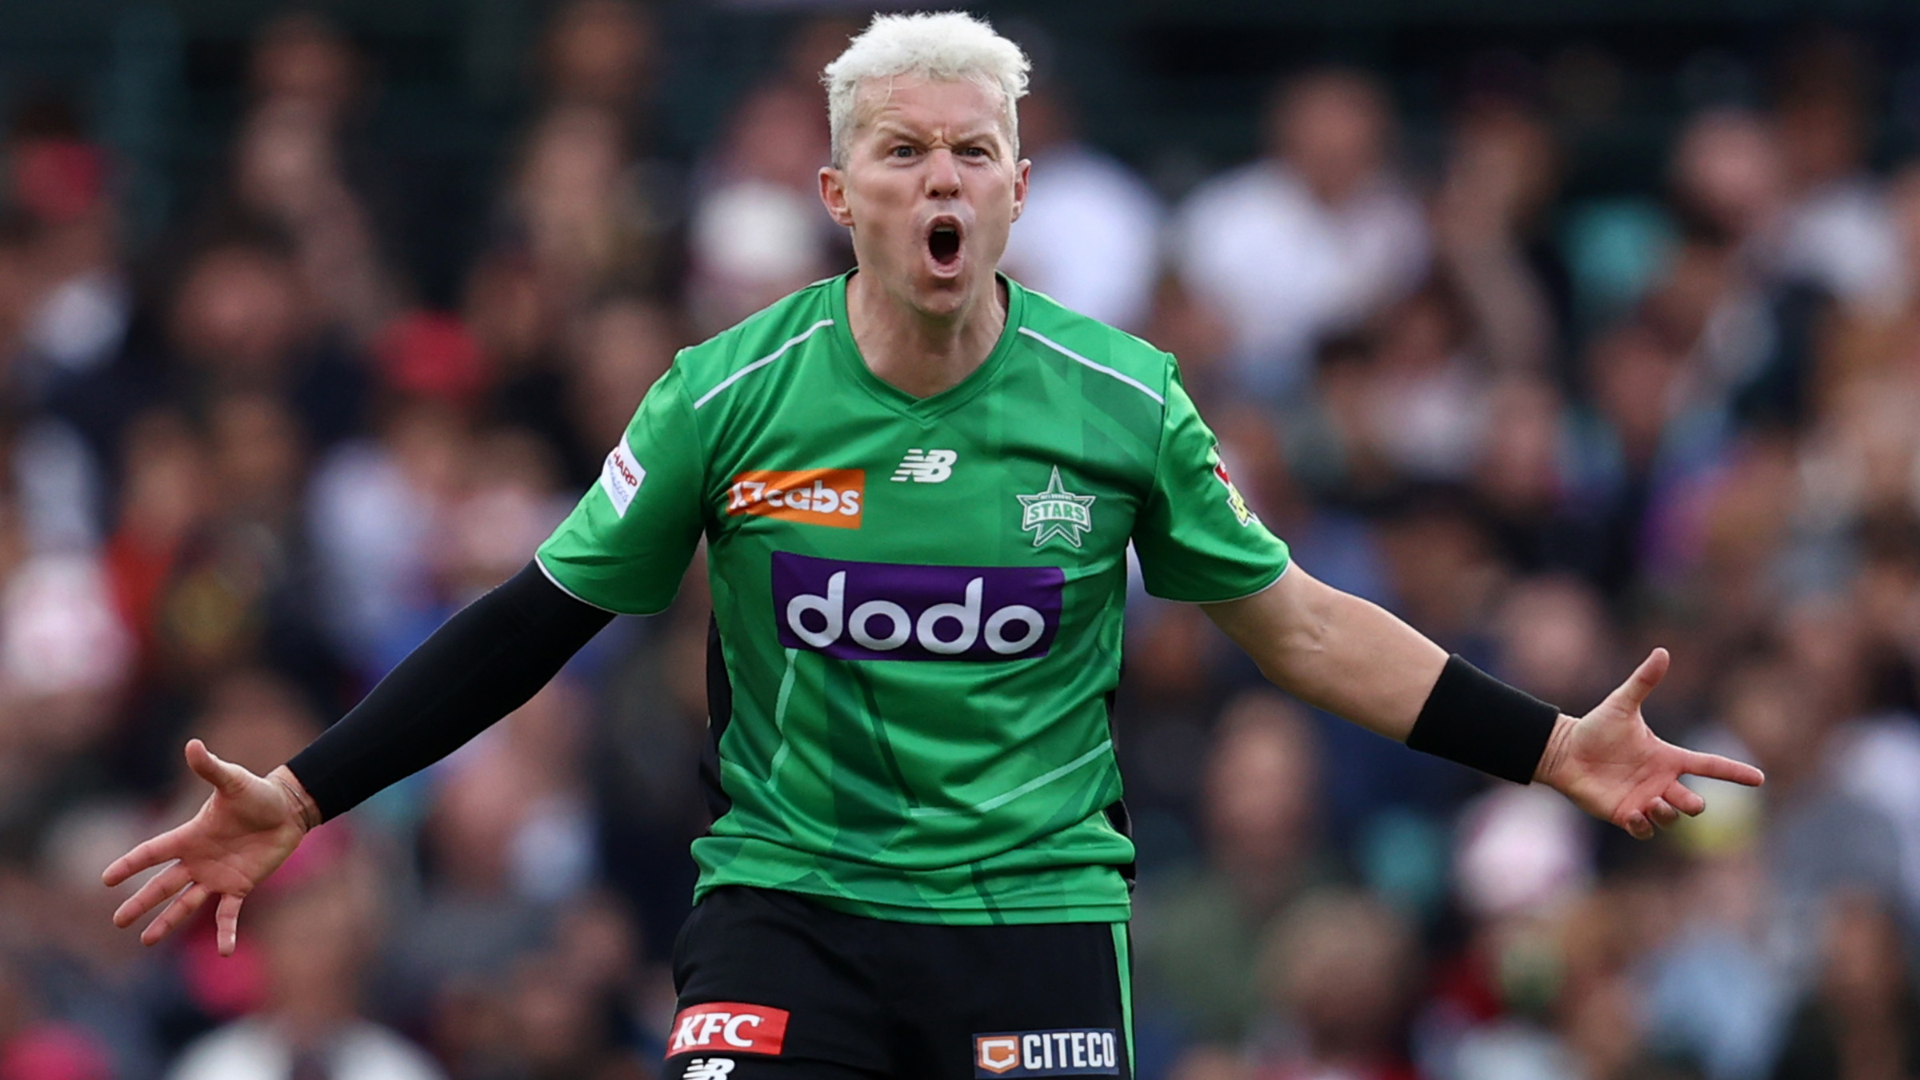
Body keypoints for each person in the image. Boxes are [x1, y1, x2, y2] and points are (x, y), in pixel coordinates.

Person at [103, 14, 1764, 1080]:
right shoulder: (725, 398)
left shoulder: (1122, 402)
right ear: (840, 190)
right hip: (788, 903)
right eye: (904, 149)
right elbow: (534, 620)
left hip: (1031, 911)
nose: (941, 176)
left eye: (974, 148)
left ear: (1022, 189)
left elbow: (1304, 625)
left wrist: (1546, 745)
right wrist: (307, 792)